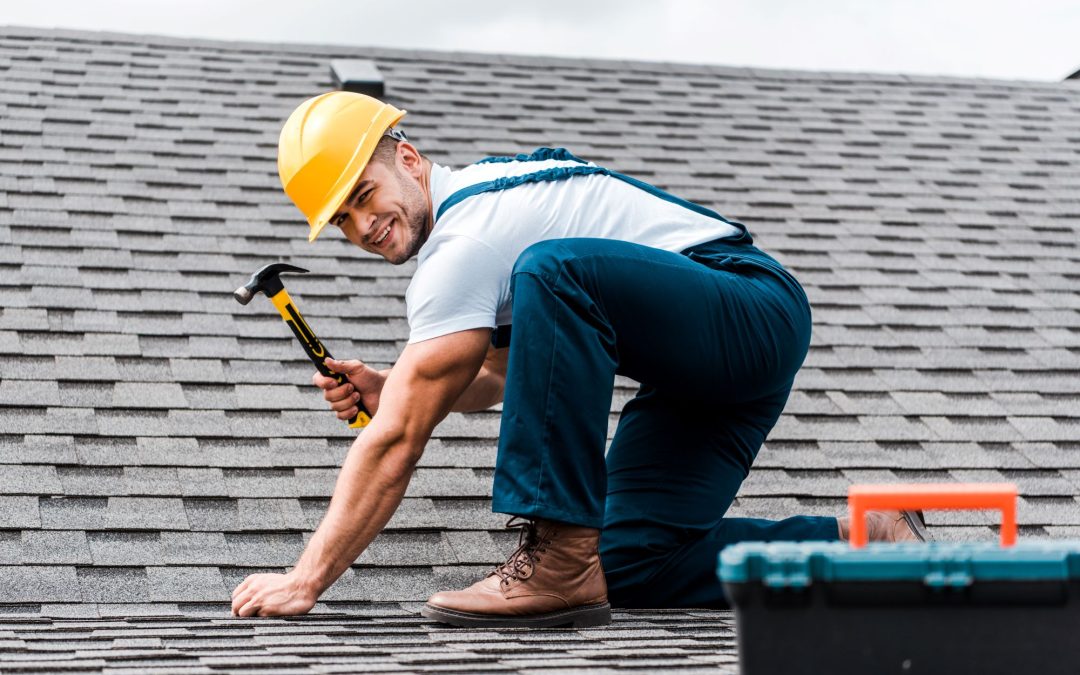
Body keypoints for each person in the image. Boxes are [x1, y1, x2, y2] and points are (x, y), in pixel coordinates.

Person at [229, 91, 928, 627]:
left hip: (750, 306)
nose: (362, 227)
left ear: (408, 159)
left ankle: (556, 553)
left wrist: (307, 576)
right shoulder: (486, 224)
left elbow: (397, 440)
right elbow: (503, 375)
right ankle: (864, 544)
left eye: (363, 196)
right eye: (341, 222)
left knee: (553, 271)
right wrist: (389, 383)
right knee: (630, 561)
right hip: (704, 368)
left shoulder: (466, 243)